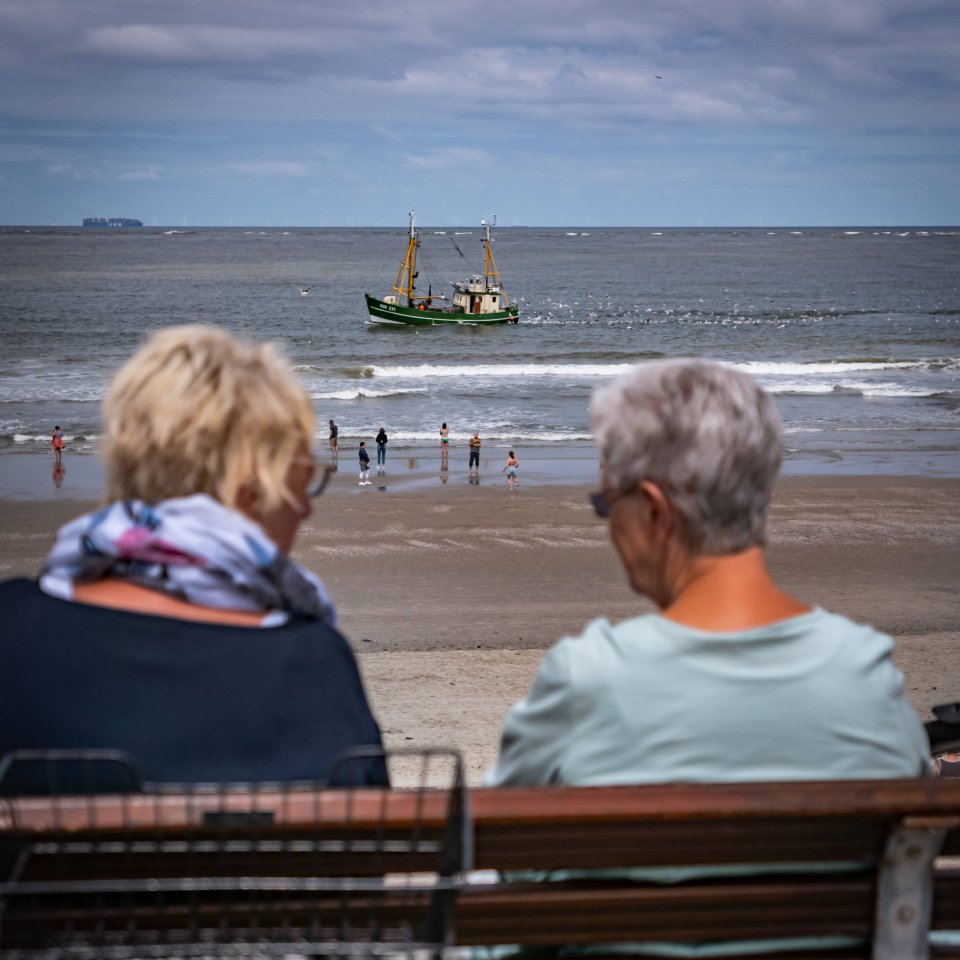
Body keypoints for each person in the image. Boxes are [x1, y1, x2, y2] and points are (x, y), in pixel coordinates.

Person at [485, 359, 930, 788]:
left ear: (657, 513)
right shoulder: (868, 680)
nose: (610, 528)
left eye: (607, 505)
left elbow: (488, 839)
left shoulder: (586, 679)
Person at [0, 326, 387, 787]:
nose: (305, 508)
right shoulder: (314, 664)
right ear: (249, 484)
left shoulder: (13, 631)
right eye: (302, 481)